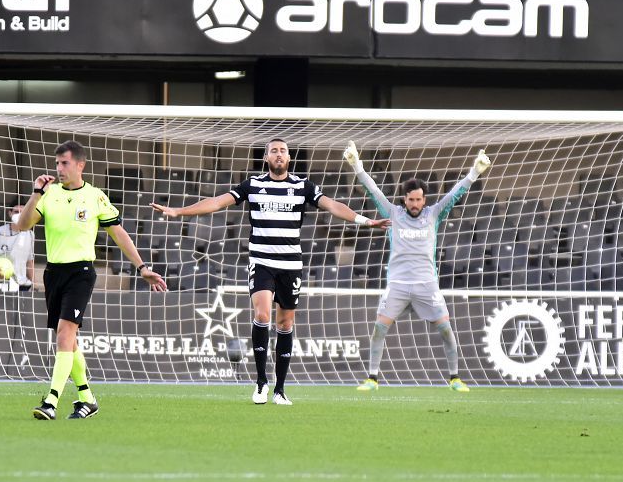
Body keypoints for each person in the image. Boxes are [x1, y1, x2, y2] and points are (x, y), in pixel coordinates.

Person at [150, 137, 391, 406]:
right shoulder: (253, 185)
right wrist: (179, 211)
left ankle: (280, 389)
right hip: (262, 261)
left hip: (290, 265)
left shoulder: (302, 186)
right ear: (266, 158)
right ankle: (261, 383)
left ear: (289, 158)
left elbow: (333, 206)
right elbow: (218, 202)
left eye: (283, 151)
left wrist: (366, 221)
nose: (279, 154)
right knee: (262, 314)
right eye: (274, 151)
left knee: (285, 323)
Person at [17, 140, 166, 420]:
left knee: (64, 334)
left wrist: (142, 267)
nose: (59, 168)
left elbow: (118, 233)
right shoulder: (49, 195)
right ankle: (87, 399)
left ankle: (51, 400)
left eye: (65, 163)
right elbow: (22, 225)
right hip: (53, 273)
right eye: (57, 163)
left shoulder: (95, 196)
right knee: (69, 341)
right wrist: (36, 193)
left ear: (80, 165)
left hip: (81, 273)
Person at [344, 141, 491, 392]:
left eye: (419, 200)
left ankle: (455, 378)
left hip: (427, 285)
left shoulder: (433, 214)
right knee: (379, 328)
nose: (415, 203)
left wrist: (474, 173)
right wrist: (357, 166)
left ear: (424, 200)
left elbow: (454, 195)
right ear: (404, 199)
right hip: (398, 285)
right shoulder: (392, 213)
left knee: (445, 329)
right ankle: (372, 378)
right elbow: (373, 191)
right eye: (411, 200)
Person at [0, 203, 35, 290]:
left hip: (21, 282)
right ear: (10, 213)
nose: (19, 215)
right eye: (16, 212)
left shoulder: (30, 234)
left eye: (22, 212)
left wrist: (33, 283)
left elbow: (29, 261)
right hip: (0, 281)